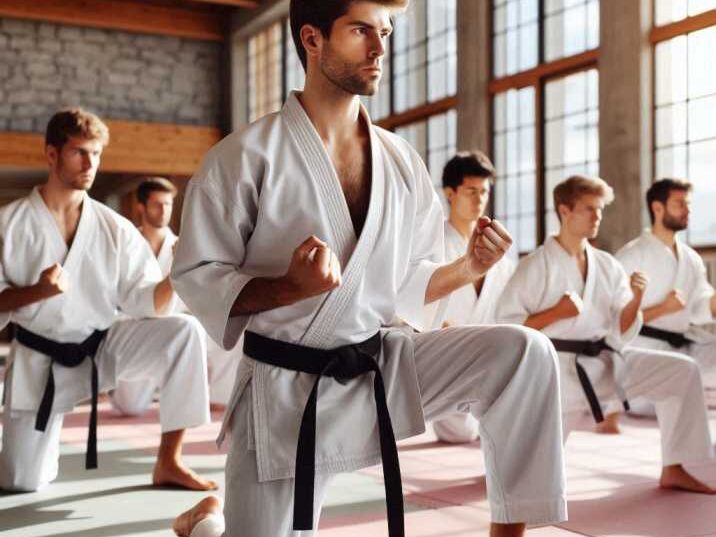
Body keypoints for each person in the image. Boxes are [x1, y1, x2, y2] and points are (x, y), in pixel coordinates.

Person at [170, 2, 567, 537]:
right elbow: (198, 277)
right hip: (286, 392)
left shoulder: (401, 159)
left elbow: (408, 280)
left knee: (525, 353)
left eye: (385, 31)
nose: (380, 49)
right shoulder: (242, 158)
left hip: (379, 365)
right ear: (312, 40)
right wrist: (289, 287)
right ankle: (206, 522)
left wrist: (467, 266)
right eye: (361, 31)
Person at [0, 108, 216, 492]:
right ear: (51, 154)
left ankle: (169, 460)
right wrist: (38, 291)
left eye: (96, 154)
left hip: (101, 347)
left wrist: (179, 272)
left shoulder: (113, 226)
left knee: (185, 331)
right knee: (21, 481)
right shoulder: (11, 223)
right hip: (39, 361)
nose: (90, 163)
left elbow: (145, 300)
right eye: (79, 152)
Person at [497, 175, 715, 495]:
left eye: (600, 210)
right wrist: (555, 313)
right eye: (589, 209)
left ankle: (674, 467)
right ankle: (506, 470)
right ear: (565, 211)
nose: (597, 217)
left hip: (606, 360)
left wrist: (637, 301)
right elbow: (507, 330)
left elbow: (622, 326)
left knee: (680, 371)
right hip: (556, 372)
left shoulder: (607, 265)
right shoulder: (535, 266)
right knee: (526, 478)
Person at [110, 177, 238, 416]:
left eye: (168, 204)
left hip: (180, 324)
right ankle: (136, 387)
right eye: (157, 204)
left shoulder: (184, 246)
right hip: (138, 329)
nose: (164, 210)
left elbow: (205, 291)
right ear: (141, 207)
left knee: (230, 335)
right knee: (130, 408)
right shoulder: (126, 245)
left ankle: (215, 397)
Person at [430, 151, 515, 444]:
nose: (479, 199)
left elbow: (507, 312)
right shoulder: (431, 245)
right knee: (459, 433)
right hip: (443, 360)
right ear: (449, 193)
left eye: (484, 192)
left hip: (488, 363)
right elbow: (409, 305)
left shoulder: (500, 256)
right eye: (471, 191)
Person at [615, 179, 716, 415]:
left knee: (689, 377)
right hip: (643, 349)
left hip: (684, 345)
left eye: (688, 204)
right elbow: (615, 322)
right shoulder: (631, 255)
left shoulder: (691, 258)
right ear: (657, 208)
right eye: (680, 203)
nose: (687, 210)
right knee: (680, 390)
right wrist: (663, 308)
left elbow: (700, 305)